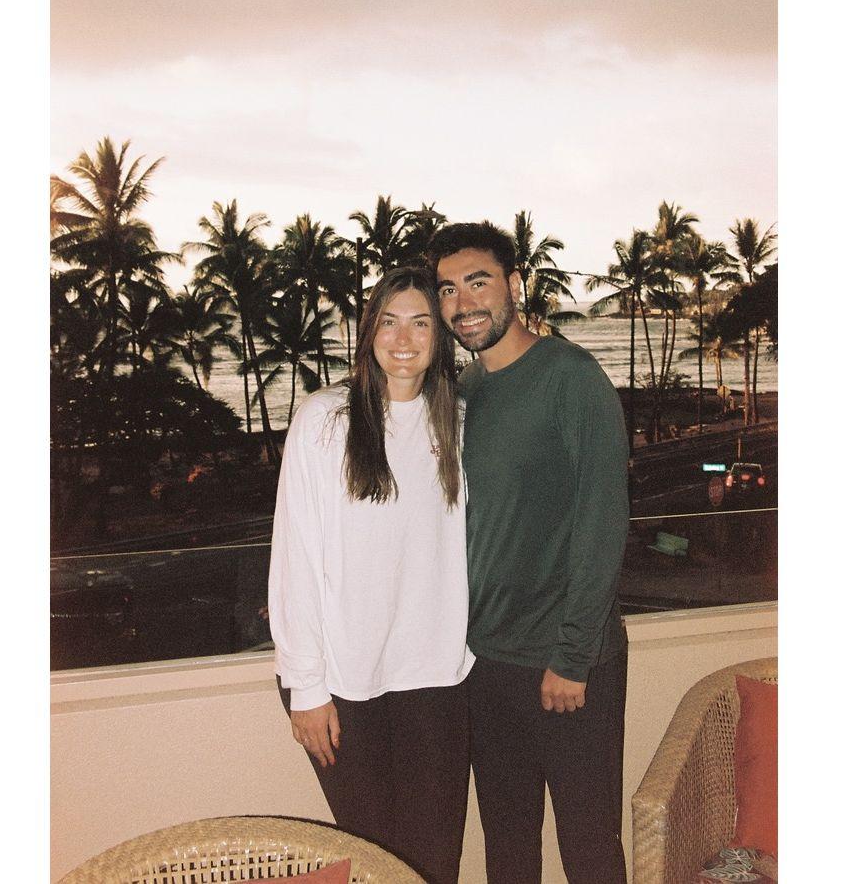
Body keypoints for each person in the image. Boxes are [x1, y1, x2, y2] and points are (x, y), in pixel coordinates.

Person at [428, 221, 630, 884]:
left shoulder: (570, 377)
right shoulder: (464, 392)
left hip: (565, 661)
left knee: (588, 847)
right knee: (508, 847)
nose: (463, 303)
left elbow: (602, 521)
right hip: (486, 664)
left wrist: (572, 656)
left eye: (478, 282)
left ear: (515, 284)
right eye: (448, 289)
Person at [267, 265, 473, 884]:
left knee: (435, 863)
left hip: (436, 677)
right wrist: (307, 687)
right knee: (375, 863)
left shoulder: (459, 422)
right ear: (368, 332)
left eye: (421, 323)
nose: (404, 339)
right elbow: (295, 556)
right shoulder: (324, 420)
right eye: (389, 322)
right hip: (343, 681)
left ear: (440, 337)